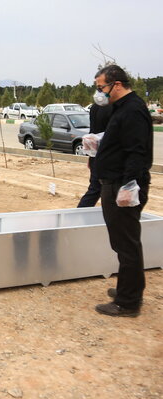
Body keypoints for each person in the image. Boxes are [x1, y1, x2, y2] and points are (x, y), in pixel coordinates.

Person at [92, 65, 153, 317]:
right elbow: (121, 139)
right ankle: (128, 289)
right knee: (122, 242)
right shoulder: (122, 108)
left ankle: (128, 302)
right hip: (114, 182)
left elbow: (137, 151)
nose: (99, 93)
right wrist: (100, 141)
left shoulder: (133, 109)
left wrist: (129, 186)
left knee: (127, 243)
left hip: (123, 185)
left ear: (117, 84)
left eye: (101, 88)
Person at [77, 99, 112, 207]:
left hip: (96, 156)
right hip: (109, 156)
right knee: (104, 190)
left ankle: (79, 214)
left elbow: (92, 132)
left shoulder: (95, 107)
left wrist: (90, 157)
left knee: (95, 189)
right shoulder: (114, 107)